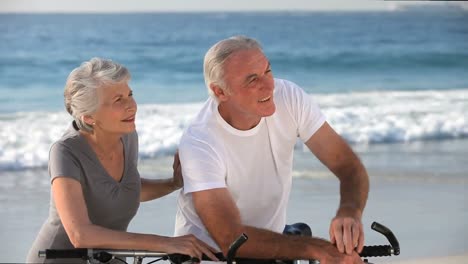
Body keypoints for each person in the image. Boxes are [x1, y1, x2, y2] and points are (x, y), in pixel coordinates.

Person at [174, 36, 369, 264]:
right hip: (209, 256)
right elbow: (230, 237)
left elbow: (348, 166)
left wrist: (349, 211)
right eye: (252, 80)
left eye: (267, 71)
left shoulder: (290, 98)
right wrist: (317, 249)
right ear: (220, 92)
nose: (269, 86)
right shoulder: (200, 141)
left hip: (270, 246)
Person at [26, 58, 217, 263]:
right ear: (89, 116)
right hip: (60, 259)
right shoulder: (65, 152)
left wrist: (173, 183)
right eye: (118, 100)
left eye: (130, 95)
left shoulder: (127, 136)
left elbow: (123, 190)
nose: (131, 106)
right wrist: (165, 242)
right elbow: (80, 234)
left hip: (109, 258)